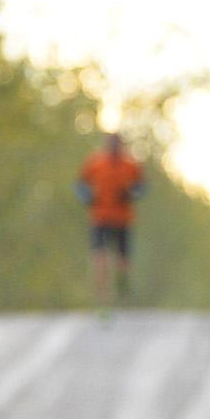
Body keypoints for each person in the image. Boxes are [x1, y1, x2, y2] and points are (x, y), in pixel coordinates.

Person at [78, 131, 147, 307]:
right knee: (99, 258)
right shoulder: (95, 162)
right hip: (100, 217)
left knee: (122, 261)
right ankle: (102, 298)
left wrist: (132, 193)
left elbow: (142, 187)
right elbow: (80, 184)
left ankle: (122, 283)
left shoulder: (131, 165)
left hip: (123, 219)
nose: (115, 148)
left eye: (118, 145)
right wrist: (88, 196)